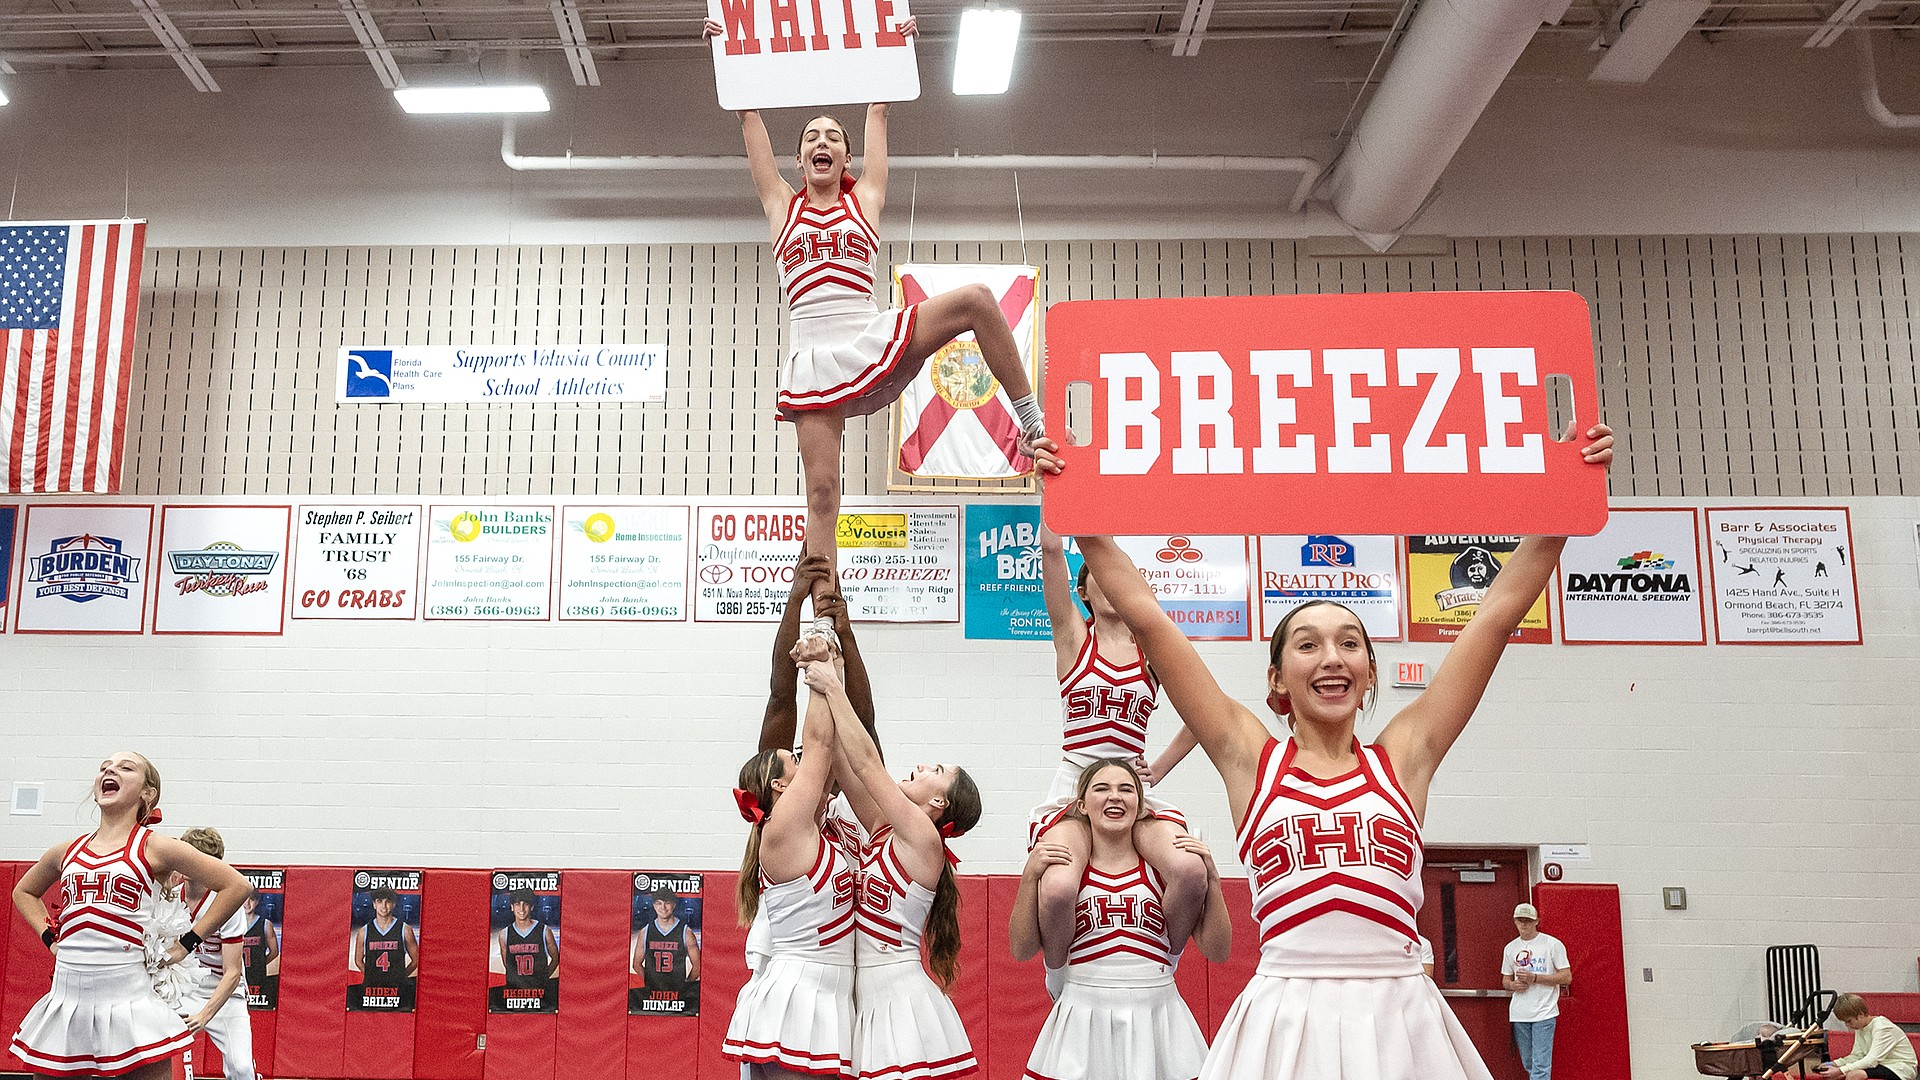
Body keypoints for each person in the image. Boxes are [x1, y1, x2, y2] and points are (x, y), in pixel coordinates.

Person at [1062, 424, 1615, 1080]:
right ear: (1276, 680)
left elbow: (1496, 613)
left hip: (1401, 1021)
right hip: (1284, 1021)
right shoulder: (1249, 757)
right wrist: (1078, 504)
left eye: (1350, 642)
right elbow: (1148, 617)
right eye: (1308, 643)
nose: (1332, 656)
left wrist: (1564, 499)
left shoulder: (1405, 757)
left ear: (1371, 674)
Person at [704, 15, 1048, 637]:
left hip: (871, 338)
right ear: (800, 155)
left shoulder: (867, 199)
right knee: (824, 491)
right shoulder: (781, 205)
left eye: (834, 135)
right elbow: (748, 120)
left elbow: (880, 112)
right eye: (812, 134)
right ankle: (824, 620)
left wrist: (894, 50)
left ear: (846, 156)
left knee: (975, 299)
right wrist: (728, 53)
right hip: (813, 355)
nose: (823, 141)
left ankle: (1032, 425)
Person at [799, 641, 982, 1080]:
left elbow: (867, 764)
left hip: (899, 999)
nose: (920, 766)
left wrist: (834, 689)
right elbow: (842, 762)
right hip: (865, 993)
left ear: (939, 801)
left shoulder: (924, 839)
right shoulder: (888, 828)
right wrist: (831, 666)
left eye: (935, 770)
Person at [9, 751, 251, 1080]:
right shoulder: (66, 851)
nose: (110, 771)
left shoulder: (157, 847)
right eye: (104, 768)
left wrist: (186, 944)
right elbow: (23, 892)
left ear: (147, 793)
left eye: (126, 767)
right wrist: (51, 938)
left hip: (129, 999)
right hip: (67, 997)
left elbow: (236, 886)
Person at [1030, 524, 1206, 971]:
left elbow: (1204, 715)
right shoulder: (1073, 636)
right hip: (1075, 783)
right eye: (1100, 578)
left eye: (1120, 578)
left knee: (1188, 872)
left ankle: (1165, 956)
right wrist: (1047, 482)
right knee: (1059, 888)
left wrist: (1158, 770)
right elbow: (1052, 549)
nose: (1112, 585)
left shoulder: (1154, 651)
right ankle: (1057, 972)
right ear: (1083, 590)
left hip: (1130, 786)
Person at [1012, 758, 1230, 1080]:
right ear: (1083, 806)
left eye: (1126, 789)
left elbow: (1219, 951)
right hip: (1082, 1016)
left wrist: (1212, 879)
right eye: (1102, 788)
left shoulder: (1161, 873)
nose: (1115, 796)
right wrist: (1030, 877)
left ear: (1140, 807)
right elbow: (1021, 949)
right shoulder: (1069, 872)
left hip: (1159, 1016)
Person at [723, 638, 855, 1079]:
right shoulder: (783, 830)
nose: (803, 762)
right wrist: (819, 665)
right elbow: (817, 741)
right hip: (796, 998)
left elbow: (842, 742)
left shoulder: (830, 825)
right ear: (780, 788)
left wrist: (834, 659)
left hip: (829, 992)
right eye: (792, 762)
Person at [170, 828, 257, 1080]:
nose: (184, 862)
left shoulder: (227, 903)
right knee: (162, 1054)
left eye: (192, 857)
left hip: (224, 992)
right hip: (184, 989)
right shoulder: (171, 896)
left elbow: (233, 973)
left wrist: (204, 1016)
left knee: (241, 1069)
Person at [1503, 902, 1571, 1080]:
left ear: (1536, 921)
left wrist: (1536, 978)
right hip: (1520, 1013)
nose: (1523, 924)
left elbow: (1566, 976)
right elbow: (1505, 979)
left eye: (1528, 920)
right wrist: (1512, 986)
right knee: (1529, 1063)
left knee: (1540, 1065)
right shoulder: (1510, 948)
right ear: (1515, 922)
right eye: (1520, 920)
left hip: (1544, 1012)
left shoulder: (1552, 944)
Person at [1818, 994, 1918, 1080]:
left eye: (1849, 1021)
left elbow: (1872, 1060)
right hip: (1882, 1064)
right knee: (1842, 1074)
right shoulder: (1860, 1027)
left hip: (1900, 1067)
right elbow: (1857, 1055)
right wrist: (1834, 1064)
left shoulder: (1882, 1027)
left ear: (1860, 1015)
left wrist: (1840, 1070)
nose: (1847, 1025)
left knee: (1854, 1075)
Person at [635, 886, 700, 1012]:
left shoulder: (686, 932)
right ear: (654, 905)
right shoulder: (645, 931)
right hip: (652, 996)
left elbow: (697, 966)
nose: (663, 908)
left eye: (667, 903)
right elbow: (636, 964)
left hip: (678, 996)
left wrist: (684, 985)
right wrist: (651, 982)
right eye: (659, 903)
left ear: (674, 905)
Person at [352, 886, 419, 1005]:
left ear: (393, 904)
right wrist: (371, 975)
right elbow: (358, 960)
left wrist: (401, 976)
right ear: (374, 904)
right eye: (379, 901)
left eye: (387, 901)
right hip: (372, 991)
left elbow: (416, 960)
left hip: (397, 991)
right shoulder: (364, 931)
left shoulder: (405, 929)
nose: (383, 906)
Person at [498, 889, 558, 997]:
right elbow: (508, 964)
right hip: (514, 992)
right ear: (512, 907)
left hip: (539, 991)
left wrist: (543, 977)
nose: (521, 908)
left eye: (525, 904)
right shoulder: (504, 934)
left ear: (532, 907)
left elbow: (556, 958)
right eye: (517, 904)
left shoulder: (544, 931)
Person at [238, 892, 279, 1003]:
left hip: (257, 979)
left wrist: (260, 964)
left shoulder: (265, 924)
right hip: (237, 977)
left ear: (257, 902)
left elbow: (274, 951)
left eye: (251, 899)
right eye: (243, 899)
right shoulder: (231, 924)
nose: (246, 903)